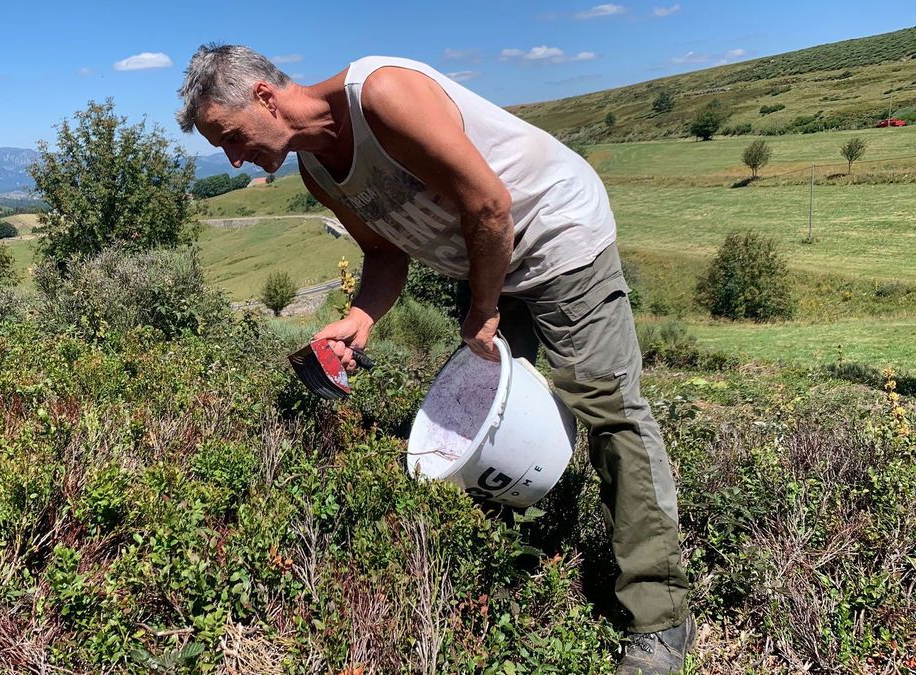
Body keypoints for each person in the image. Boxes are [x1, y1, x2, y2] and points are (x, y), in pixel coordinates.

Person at [176, 43, 695, 674]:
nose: (233, 159)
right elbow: (387, 254)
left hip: (556, 236)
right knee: (489, 416)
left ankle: (660, 619)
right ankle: (519, 561)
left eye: (229, 137)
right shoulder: (316, 171)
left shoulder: (382, 95)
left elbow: (490, 205)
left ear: (263, 95)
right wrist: (362, 317)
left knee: (609, 410)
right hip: (489, 262)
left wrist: (482, 306)